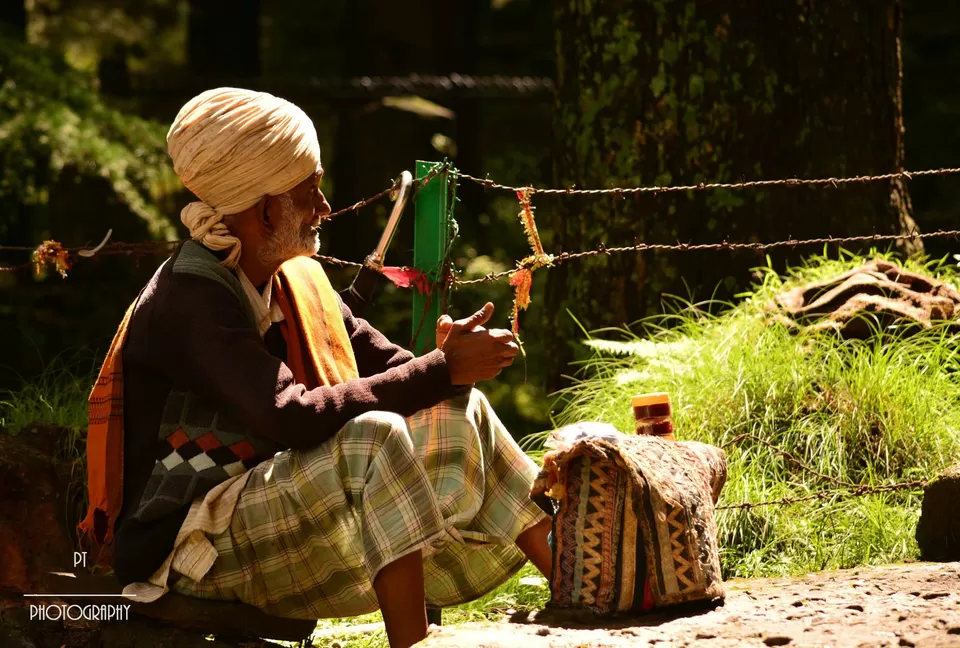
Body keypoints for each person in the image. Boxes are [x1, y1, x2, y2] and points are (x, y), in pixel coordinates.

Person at [78, 88, 552, 648]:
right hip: (186, 549)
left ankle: (577, 586)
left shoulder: (296, 281)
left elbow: (396, 371)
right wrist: (439, 369)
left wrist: (445, 364)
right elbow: (292, 416)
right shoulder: (188, 298)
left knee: (460, 406)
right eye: (310, 192)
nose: (325, 207)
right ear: (265, 210)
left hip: (260, 512)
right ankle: (413, 642)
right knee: (371, 439)